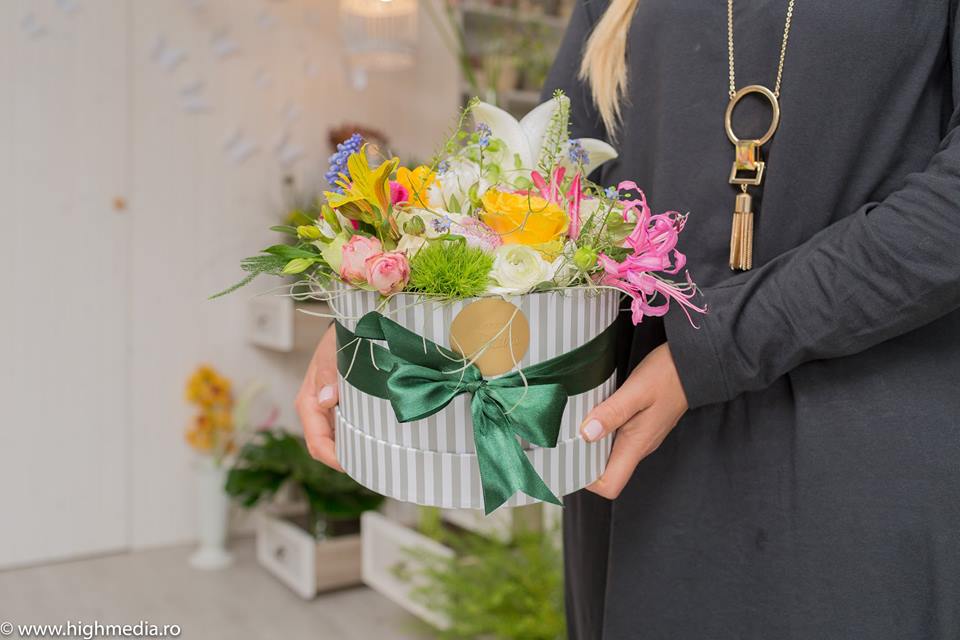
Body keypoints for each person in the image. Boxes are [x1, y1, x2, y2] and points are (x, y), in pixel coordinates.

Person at [298, 1, 960, 637]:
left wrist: (713, 346)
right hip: (646, 460)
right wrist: (394, 304)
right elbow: (534, 182)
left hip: (858, 464)